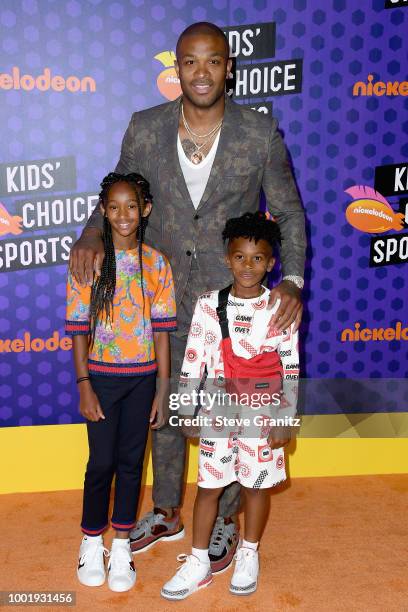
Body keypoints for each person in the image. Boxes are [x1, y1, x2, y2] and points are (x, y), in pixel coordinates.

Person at [69, 21, 306, 573]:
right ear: (176, 69)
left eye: (214, 61)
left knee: (229, 412)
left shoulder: (259, 133)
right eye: (190, 62)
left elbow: (290, 213)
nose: (202, 73)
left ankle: (224, 518)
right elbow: (119, 189)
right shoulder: (145, 127)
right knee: (167, 406)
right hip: (158, 294)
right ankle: (168, 509)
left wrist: (291, 279)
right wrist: (88, 231)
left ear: (229, 67)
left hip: (232, 306)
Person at [161, 211, 299, 600]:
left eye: (258, 259)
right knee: (208, 487)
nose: (248, 266)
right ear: (227, 257)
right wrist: (186, 409)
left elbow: (290, 365)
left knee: (256, 487)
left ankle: (249, 552)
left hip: (263, 411)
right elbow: (193, 360)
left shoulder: (281, 307)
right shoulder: (209, 305)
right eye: (240, 257)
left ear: (271, 263)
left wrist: (287, 418)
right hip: (217, 411)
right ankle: (199, 561)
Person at [65, 172, 177, 592]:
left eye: (132, 206)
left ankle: (122, 544)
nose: (124, 215)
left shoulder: (156, 263)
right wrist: (84, 383)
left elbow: (163, 330)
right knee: (101, 465)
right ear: (103, 212)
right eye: (114, 207)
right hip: (103, 381)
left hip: (143, 380)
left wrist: (163, 389)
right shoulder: (89, 260)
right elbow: (78, 328)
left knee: (132, 464)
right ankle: (91, 540)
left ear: (145, 209)